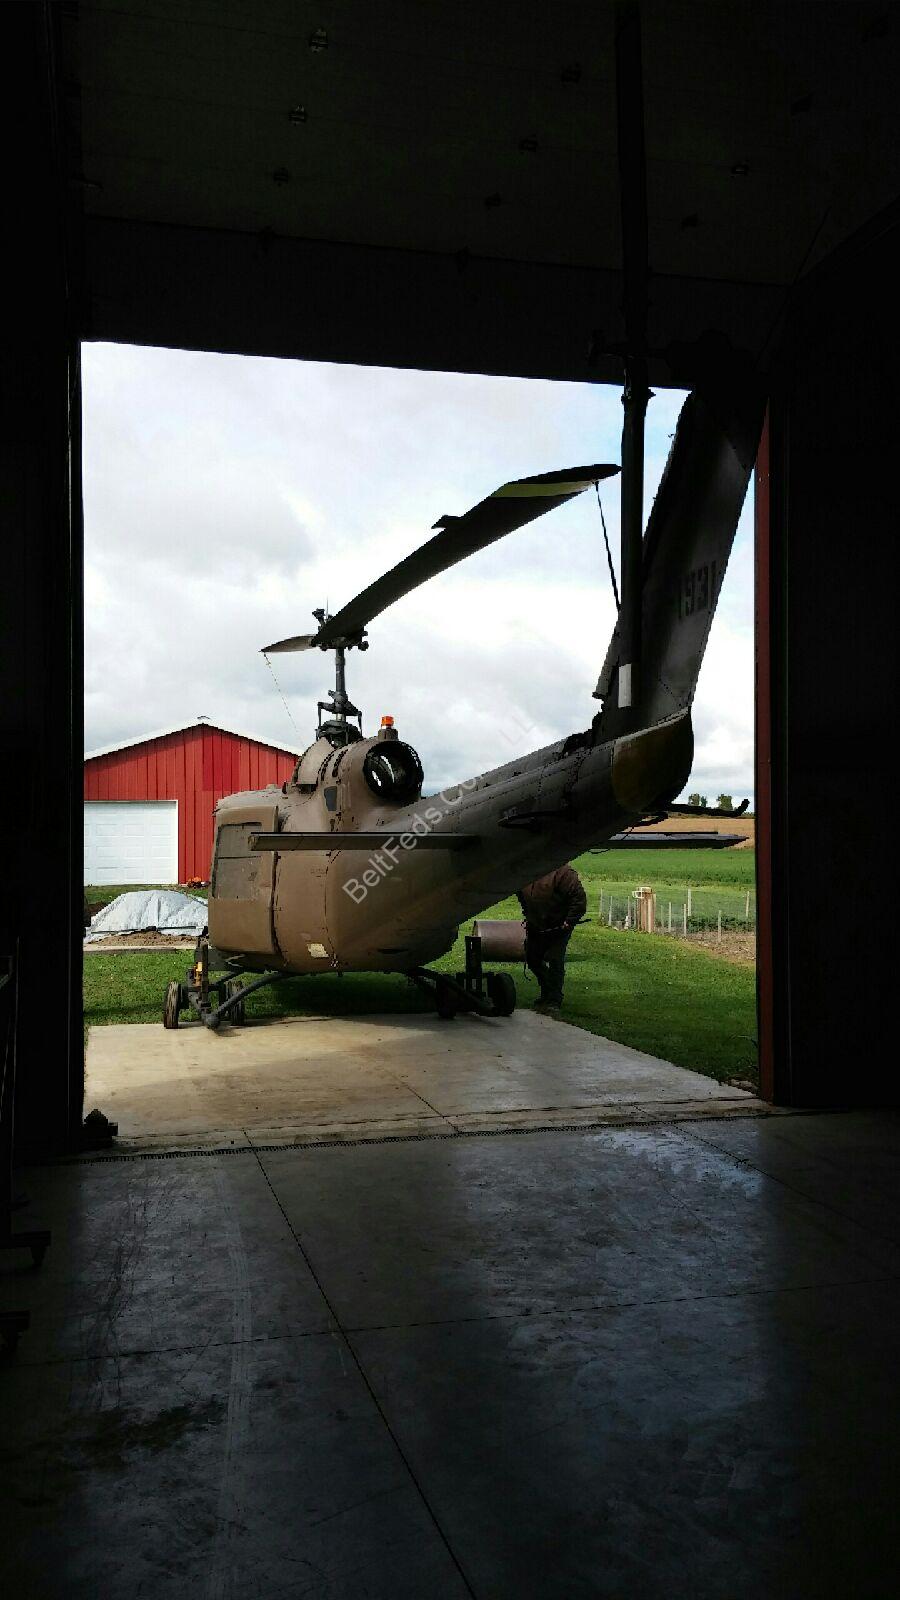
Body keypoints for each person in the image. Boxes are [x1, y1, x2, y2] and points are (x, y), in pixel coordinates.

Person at [516, 864, 587, 1014]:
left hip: (559, 927)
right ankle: (546, 991)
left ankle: (554, 1000)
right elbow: (520, 894)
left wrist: (570, 920)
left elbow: (579, 899)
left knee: (555, 959)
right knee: (532, 958)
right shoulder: (526, 871)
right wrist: (528, 913)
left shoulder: (564, 873)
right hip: (536, 925)